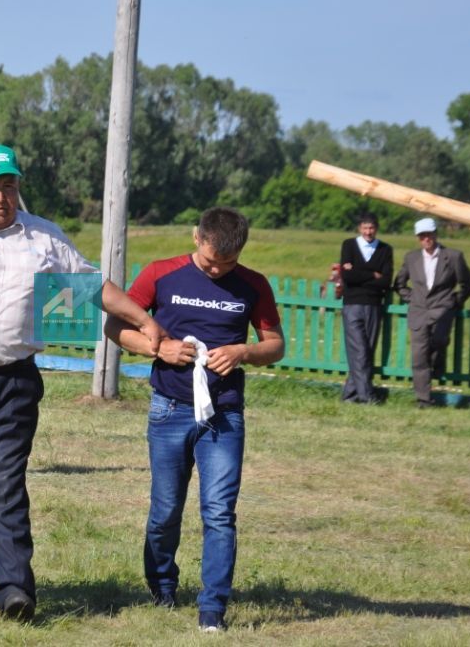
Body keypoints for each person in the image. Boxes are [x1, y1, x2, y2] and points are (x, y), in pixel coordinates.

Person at [0, 73, 165, 622]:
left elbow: (92, 292)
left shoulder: (44, 239)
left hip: (11, 385)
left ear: (18, 189)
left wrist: (142, 320)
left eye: (10, 186)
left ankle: (14, 589)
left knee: (4, 487)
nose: (0, 196)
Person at [105, 207, 285, 633]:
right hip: (169, 409)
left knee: (220, 512)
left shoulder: (254, 285)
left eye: (228, 263)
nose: (218, 269)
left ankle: (212, 609)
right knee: (166, 510)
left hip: (224, 416)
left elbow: (275, 345)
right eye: (210, 261)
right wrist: (157, 349)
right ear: (195, 238)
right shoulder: (160, 274)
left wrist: (243, 352)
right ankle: (162, 586)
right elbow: (117, 327)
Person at [394, 218, 470, 408]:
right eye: (422, 236)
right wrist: (412, 298)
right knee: (418, 356)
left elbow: (468, 284)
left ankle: (437, 367)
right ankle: (423, 399)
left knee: (439, 341)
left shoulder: (453, 256)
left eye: (429, 234)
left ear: (436, 234)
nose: (426, 239)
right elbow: (399, 284)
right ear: (418, 238)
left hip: (442, 310)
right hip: (418, 312)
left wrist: (454, 301)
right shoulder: (411, 257)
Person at [339, 213, 393, 404]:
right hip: (352, 303)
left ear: (376, 228)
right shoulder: (349, 245)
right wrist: (373, 275)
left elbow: (387, 281)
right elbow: (347, 277)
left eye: (371, 228)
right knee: (359, 349)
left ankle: (349, 394)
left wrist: (358, 273)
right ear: (359, 229)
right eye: (364, 228)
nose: (368, 232)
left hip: (374, 305)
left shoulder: (385, 249)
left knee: (366, 351)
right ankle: (366, 395)